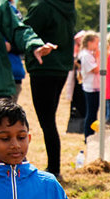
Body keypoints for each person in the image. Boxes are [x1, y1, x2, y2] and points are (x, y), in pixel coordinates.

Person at [22, 0, 77, 179]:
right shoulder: (68, 7)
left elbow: (24, 32)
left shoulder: (41, 7)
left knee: (46, 121)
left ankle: (54, 168)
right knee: (49, 120)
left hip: (43, 66)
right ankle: (54, 166)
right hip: (61, 68)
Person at [77, 31, 100, 140]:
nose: (97, 45)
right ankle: (88, 136)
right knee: (91, 113)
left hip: (93, 86)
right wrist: (99, 58)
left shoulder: (87, 54)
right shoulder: (86, 55)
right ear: (90, 42)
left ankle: (91, 135)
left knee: (93, 113)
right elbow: (96, 69)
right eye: (96, 43)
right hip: (91, 87)